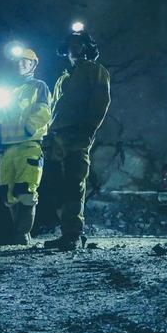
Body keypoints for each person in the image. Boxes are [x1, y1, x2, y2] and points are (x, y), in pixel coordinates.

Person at [42, 25, 111, 251]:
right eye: (71, 46)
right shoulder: (63, 78)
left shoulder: (95, 70)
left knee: (74, 183)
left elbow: (101, 101)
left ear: (87, 48)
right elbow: (54, 110)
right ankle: (67, 231)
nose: (74, 49)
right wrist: (48, 134)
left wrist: (88, 129)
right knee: (56, 185)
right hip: (56, 137)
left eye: (79, 45)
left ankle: (73, 233)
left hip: (77, 134)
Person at [0, 47, 52, 246]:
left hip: (29, 145)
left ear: (33, 65)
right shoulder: (8, 89)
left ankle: (22, 234)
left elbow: (44, 111)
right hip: (8, 147)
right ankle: (15, 232)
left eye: (25, 61)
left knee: (26, 191)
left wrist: (29, 128)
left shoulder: (38, 86)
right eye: (18, 61)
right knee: (9, 194)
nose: (21, 64)